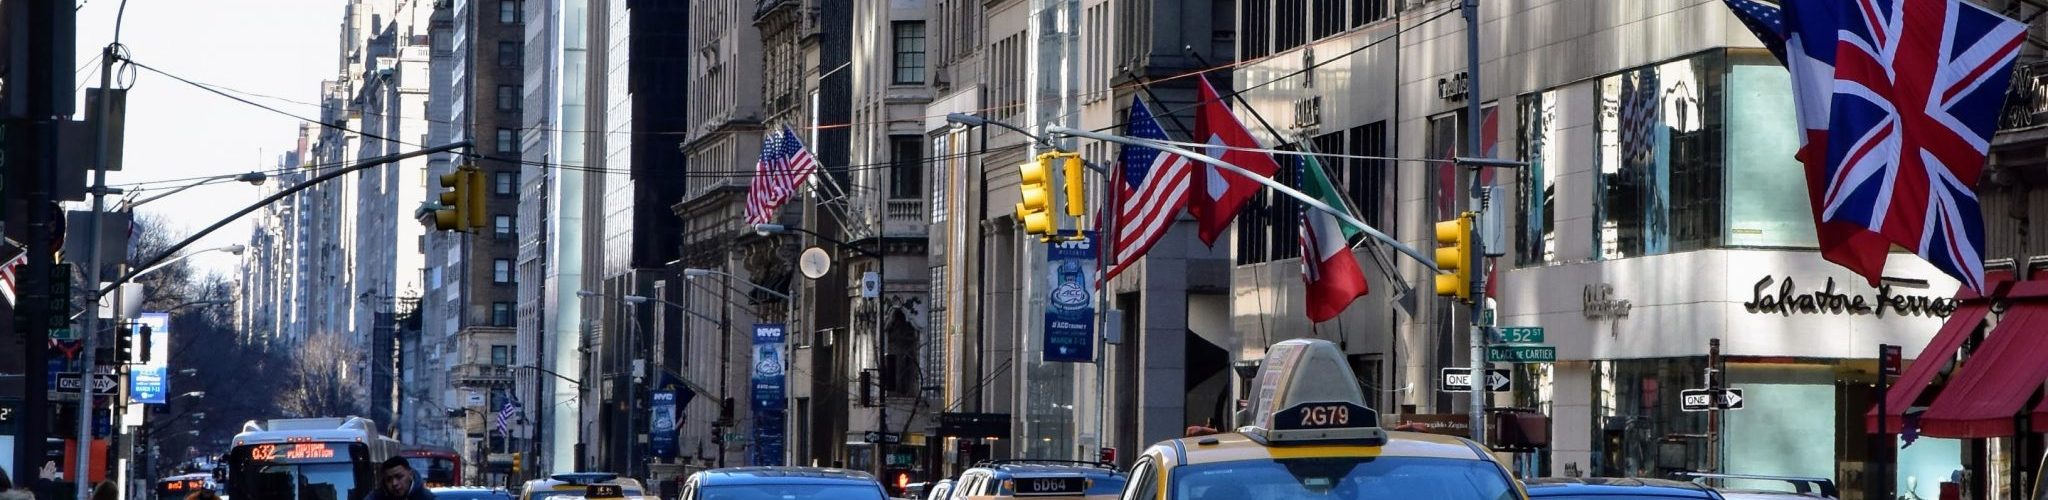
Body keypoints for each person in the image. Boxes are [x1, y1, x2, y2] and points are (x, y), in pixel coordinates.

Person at [366, 456, 435, 500]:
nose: (394, 483)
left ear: (410, 475)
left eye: (399, 477)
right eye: (389, 479)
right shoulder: (375, 497)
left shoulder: (427, 497)